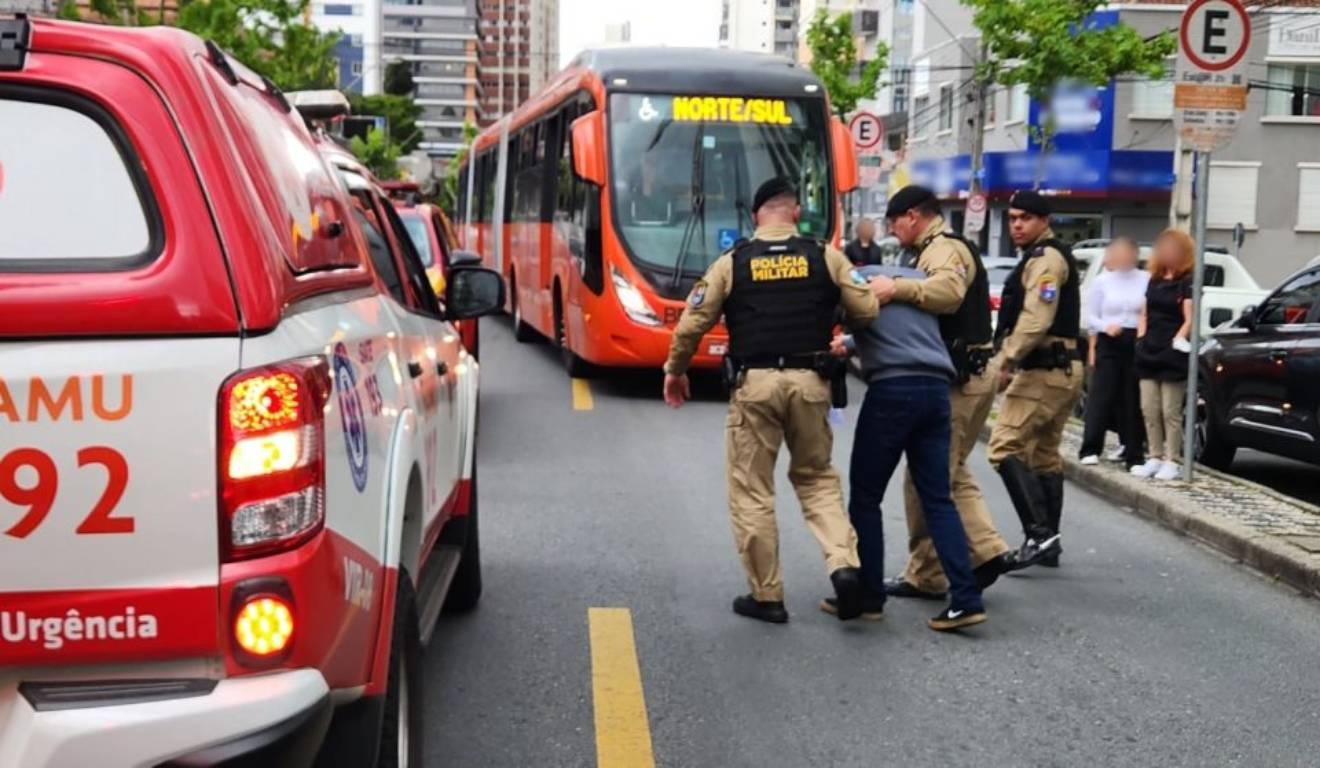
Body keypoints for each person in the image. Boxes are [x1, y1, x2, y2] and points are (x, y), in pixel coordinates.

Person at [662, 178, 880, 624]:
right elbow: (868, 308)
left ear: (756, 215)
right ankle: (844, 567)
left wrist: (676, 370)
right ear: (795, 212)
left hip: (755, 384)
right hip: (811, 381)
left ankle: (767, 596)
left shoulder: (733, 261)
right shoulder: (826, 255)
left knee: (752, 490)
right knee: (817, 479)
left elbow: (692, 323)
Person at [867, 185, 1013, 600]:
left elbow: (947, 295)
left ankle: (927, 575)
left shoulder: (943, 249)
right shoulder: (931, 249)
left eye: (894, 224)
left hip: (961, 380)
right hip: (966, 374)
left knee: (924, 477)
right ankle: (986, 551)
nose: (893, 234)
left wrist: (897, 289)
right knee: (952, 470)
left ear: (912, 216)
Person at [826, 261, 988, 631]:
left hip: (894, 390)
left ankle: (869, 596)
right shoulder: (914, 280)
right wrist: (850, 344)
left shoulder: (857, 281)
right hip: (936, 391)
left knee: (866, 497)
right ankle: (966, 599)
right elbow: (904, 326)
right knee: (938, 498)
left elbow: (850, 314)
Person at [987, 190, 1085, 570]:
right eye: (1012, 218)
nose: (1016, 225)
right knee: (1043, 454)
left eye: (1025, 218)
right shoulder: (1040, 257)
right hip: (1059, 370)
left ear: (1044, 221)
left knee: (1004, 446)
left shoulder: (1045, 260)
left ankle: (1039, 535)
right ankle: (1049, 543)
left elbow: (1036, 320)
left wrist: (1004, 360)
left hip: (1045, 369)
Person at [1130, 229, 1196, 481]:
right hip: (1149, 348)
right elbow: (1144, 313)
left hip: (1172, 350)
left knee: (1170, 409)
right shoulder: (1154, 279)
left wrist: (1177, 339)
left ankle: (1172, 459)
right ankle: (1154, 456)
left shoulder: (1187, 281)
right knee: (1149, 407)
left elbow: (1189, 318)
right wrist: (1141, 339)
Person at [1079, 237, 1148, 468]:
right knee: (1102, 394)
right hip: (1109, 339)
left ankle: (1133, 452)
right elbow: (1091, 316)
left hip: (1134, 340)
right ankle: (1090, 447)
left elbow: (1148, 310)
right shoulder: (1103, 281)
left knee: (1131, 396)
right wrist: (1103, 329)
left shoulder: (1145, 279)